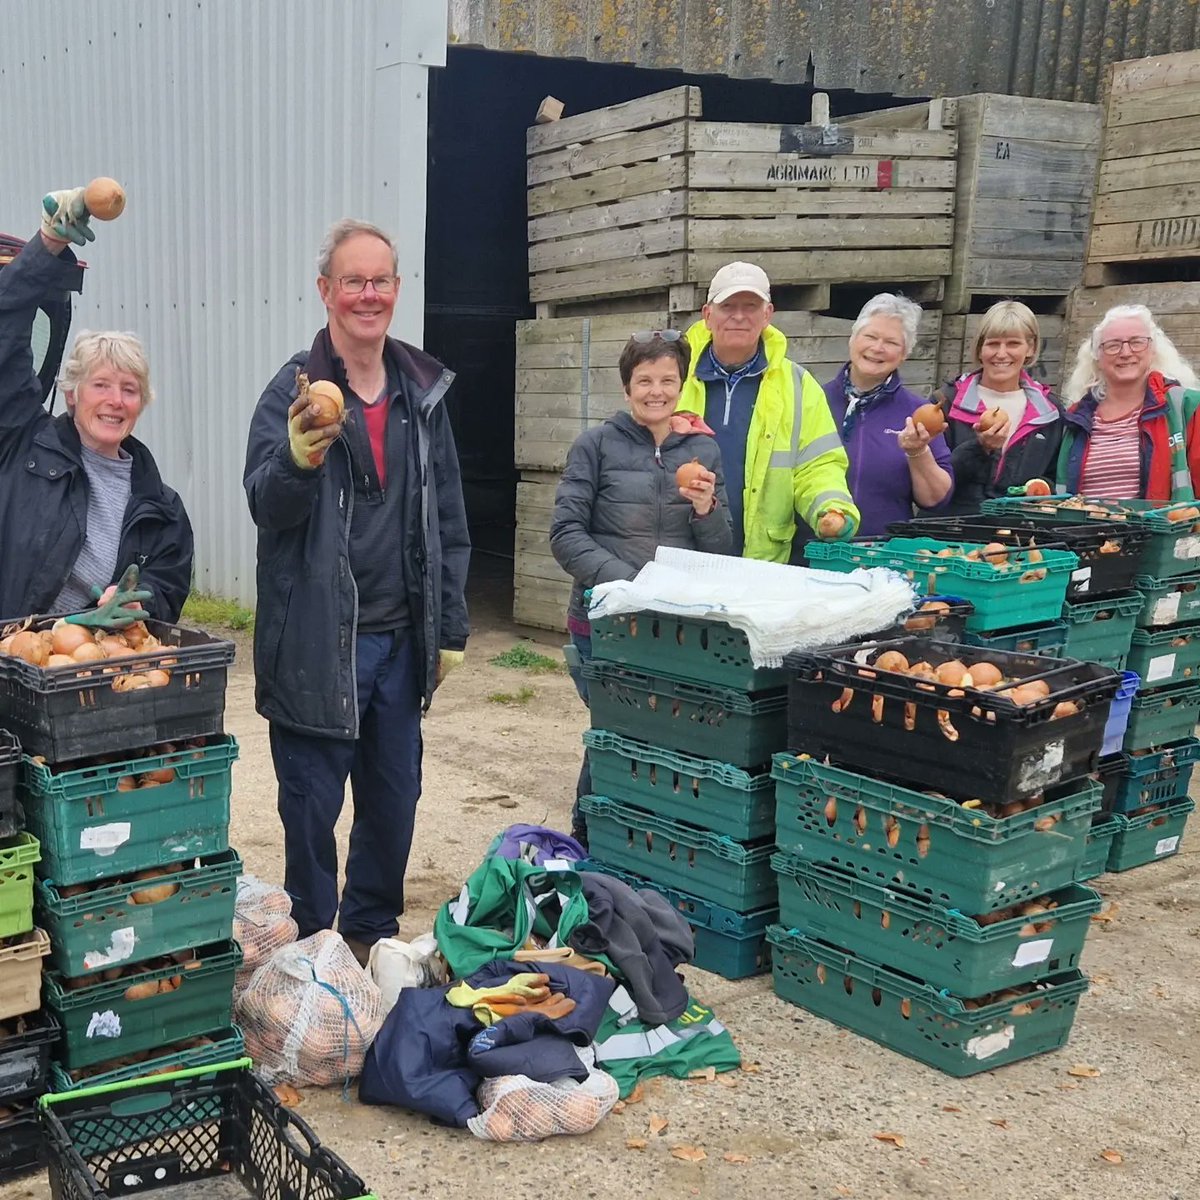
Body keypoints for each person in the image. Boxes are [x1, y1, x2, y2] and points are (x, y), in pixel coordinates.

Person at [243, 218, 470, 966]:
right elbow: (265, 507)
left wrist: (452, 629)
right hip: (316, 640)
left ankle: (369, 938)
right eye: (353, 281)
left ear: (397, 291)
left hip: (402, 640)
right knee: (311, 808)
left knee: (393, 800)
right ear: (326, 291)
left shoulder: (422, 390)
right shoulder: (294, 389)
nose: (367, 295)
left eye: (380, 281)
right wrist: (298, 461)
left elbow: (448, 519)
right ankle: (312, 953)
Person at [550, 330, 733, 845]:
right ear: (627, 386)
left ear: (682, 383)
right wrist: (631, 586)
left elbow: (721, 553)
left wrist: (705, 509)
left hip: (672, 626)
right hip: (603, 621)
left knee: (667, 733)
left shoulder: (702, 451)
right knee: (617, 727)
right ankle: (588, 836)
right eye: (644, 380)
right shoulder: (596, 446)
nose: (656, 390)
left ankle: (644, 838)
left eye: (667, 380)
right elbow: (565, 536)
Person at [0, 187, 192, 625]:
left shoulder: (162, 508)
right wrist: (48, 244)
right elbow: (5, 334)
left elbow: (168, 588)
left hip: (87, 678)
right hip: (12, 669)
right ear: (71, 393)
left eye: (129, 389)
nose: (114, 401)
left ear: (142, 402)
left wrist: (141, 603)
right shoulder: (21, 443)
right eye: (100, 384)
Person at [675, 261, 859, 558]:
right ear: (707, 315)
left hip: (760, 560)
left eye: (750, 306)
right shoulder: (675, 376)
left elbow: (818, 465)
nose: (738, 316)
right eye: (727, 306)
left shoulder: (798, 385)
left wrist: (832, 509)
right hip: (681, 550)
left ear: (767, 315)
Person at [822, 294, 954, 535]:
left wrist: (918, 452)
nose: (877, 348)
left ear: (904, 353)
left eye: (891, 342)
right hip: (811, 554)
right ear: (852, 339)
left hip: (883, 558)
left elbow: (936, 499)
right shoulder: (813, 401)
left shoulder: (918, 413)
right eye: (870, 336)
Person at [932, 300, 1064, 515]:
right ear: (980, 348)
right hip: (948, 534)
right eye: (993, 344)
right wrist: (980, 448)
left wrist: (1038, 487)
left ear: (1030, 348)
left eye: (1013, 343)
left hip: (1018, 536)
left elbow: (1054, 478)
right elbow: (931, 485)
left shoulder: (1051, 412)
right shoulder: (944, 402)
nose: (1001, 354)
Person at [1059, 304, 1200, 500]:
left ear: (1152, 350)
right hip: (1082, 530)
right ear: (1097, 357)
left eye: (1136, 342)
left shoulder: (1186, 406)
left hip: (1162, 529)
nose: (1125, 353)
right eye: (1113, 345)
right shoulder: (1075, 418)